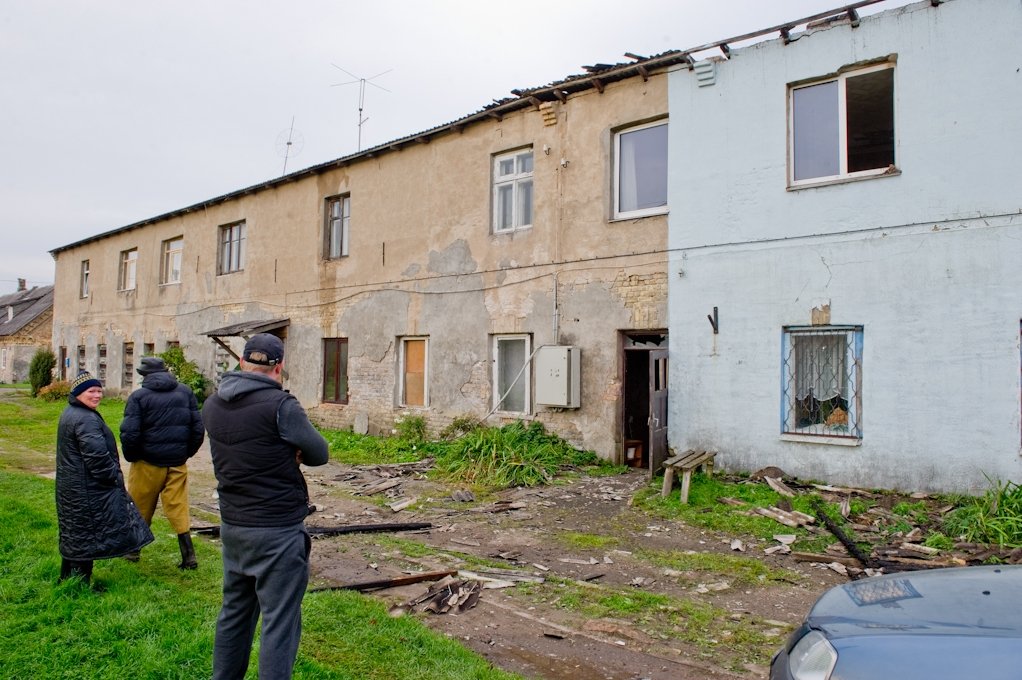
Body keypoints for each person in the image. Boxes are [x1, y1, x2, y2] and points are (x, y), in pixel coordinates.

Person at [202, 333, 329, 680]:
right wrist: (292, 450)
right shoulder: (281, 407)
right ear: (279, 366)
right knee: (279, 621)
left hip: (234, 525)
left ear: (243, 362)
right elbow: (319, 453)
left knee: (234, 613)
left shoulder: (212, 405)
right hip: (276, 530)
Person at [55, 370, 154, 587]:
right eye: (91, 391)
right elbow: (97, 457)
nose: (97, 395)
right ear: (79, 393)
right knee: (85, 535)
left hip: (72, 487)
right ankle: (79, 585)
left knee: (75, 533)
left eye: (99, 391)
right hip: (86, 488)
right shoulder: (85, 419)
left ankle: (68, 580)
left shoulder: (71, 412)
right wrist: (114, 477)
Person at [119, 356, 205, 569]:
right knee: (178, 506)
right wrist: (186, 454)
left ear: (144, 375)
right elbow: (197, 428)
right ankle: (189, 556)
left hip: (147, 461)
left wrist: (132, 457)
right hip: (177, 462)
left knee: (140, 505)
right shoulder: (185, 392)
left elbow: (129, 433)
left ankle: (132, 551)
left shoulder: (139, 397)